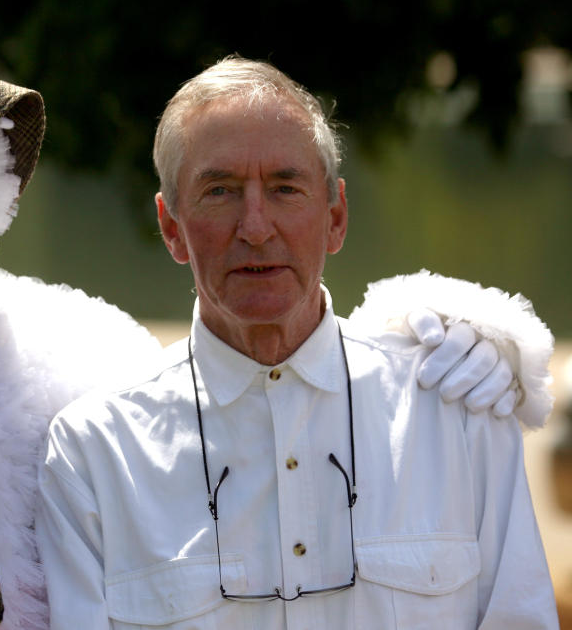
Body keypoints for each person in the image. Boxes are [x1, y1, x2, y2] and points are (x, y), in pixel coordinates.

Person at [36, 57, 558, 629]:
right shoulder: (96, 453)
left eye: (285, 188)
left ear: (335, 217)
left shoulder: (457, 409)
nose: (256, 226)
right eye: (220, 191)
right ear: (171, 227)